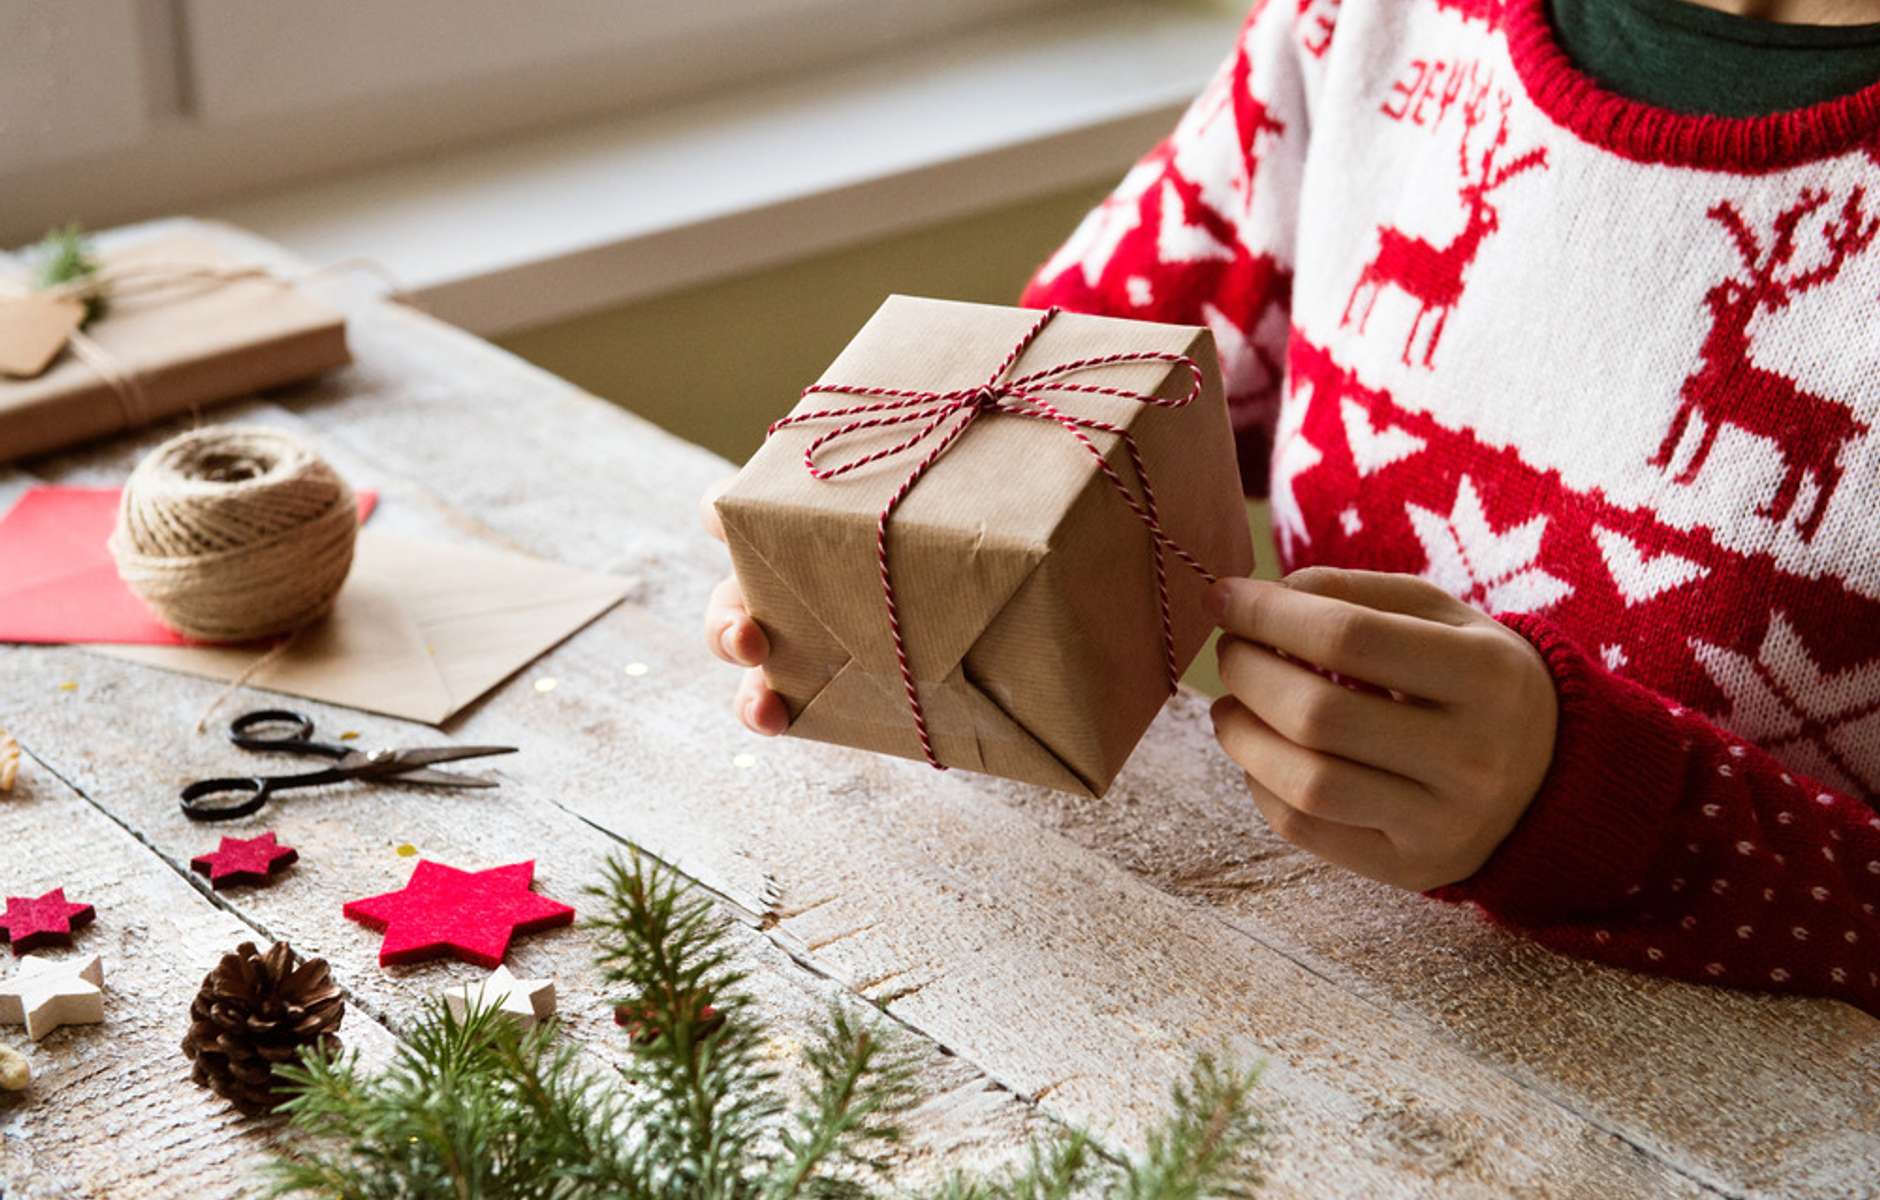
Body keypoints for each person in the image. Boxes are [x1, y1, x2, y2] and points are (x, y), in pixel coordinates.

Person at [704, 0, 1880, 1014]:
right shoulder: (1364, 24)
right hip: (1294, 1001)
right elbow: (1055, 402)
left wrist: (1612, 817)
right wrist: (875, 554)